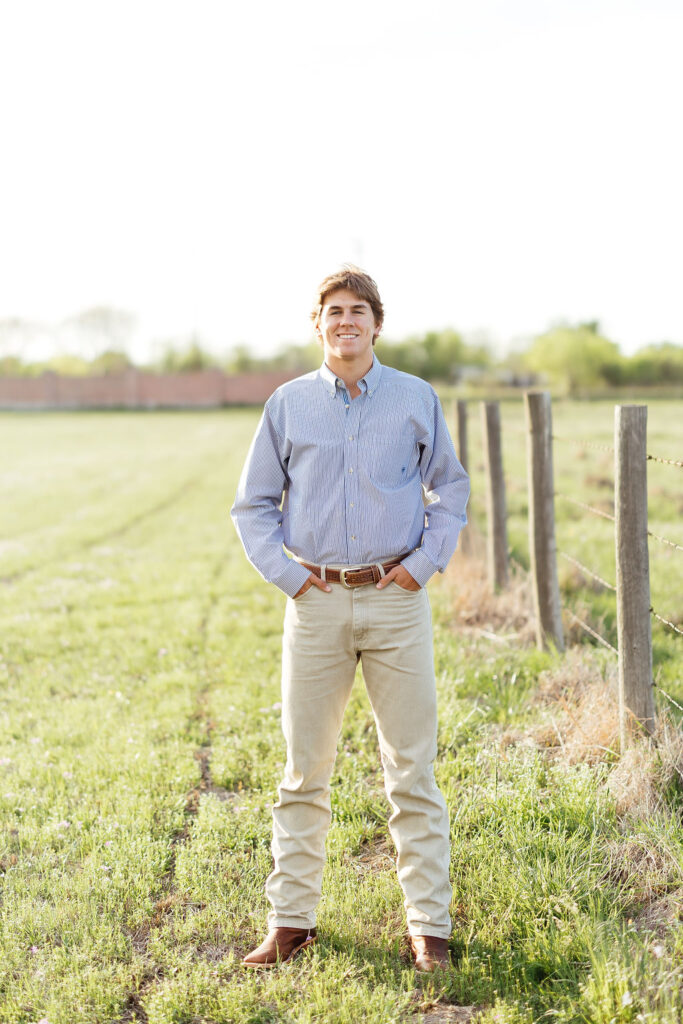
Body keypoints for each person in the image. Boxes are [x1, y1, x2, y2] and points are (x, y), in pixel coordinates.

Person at [231, 266, 469, 972]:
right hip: (317, 603)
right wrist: (291, 579)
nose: (345, 321)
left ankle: (429, 929)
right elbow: (253, 506)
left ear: (375, 323)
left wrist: (421, 565)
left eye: (357, 311)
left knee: (412, 771)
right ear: (317, 324)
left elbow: (448, 489)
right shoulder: (286, 405)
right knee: (304, 772)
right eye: (332, 311)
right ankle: (291, 923)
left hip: (397, 602)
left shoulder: (414, 398)